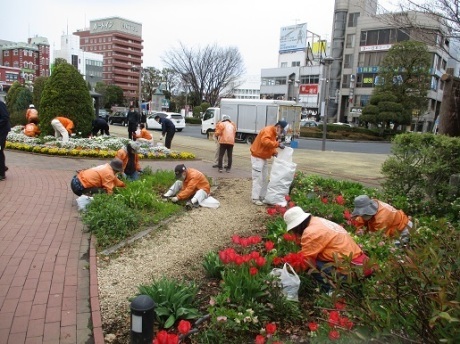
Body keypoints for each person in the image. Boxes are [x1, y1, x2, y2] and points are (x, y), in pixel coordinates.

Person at [283, 206, 370, 293]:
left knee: (309, 263)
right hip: (361, 263)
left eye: (294, 230)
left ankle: (332, 291)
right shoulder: (317, 221)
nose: (294, 233)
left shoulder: (311, 232)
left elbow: (306, 260)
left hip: (349, 271)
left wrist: (290, 269)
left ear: (298, 226)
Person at [249, 120, 288, 205]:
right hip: (257, 157)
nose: (281, 133)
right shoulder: (268, 131)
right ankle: (255, 198)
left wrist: (274, 152)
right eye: (282, 131)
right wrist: (277, 145)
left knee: (265, 178)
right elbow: (265, 142)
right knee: (258, 179)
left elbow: (268, 145)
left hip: (262, 157)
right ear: (279, 127)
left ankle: (262, 196)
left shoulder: (273, 133)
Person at [0, 100, 11, 181]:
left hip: (2, 131)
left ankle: (1, 174)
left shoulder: (0, 104)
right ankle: (2, 167)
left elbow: (5, 117)